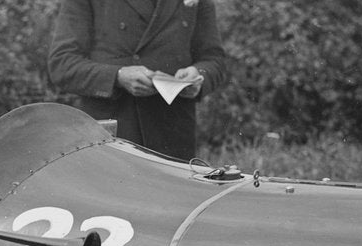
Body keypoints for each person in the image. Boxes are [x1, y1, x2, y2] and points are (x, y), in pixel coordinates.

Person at [47, 0, 229, 161]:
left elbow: (214, 60)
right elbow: (62, 63)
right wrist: (117, 76)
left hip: (171, 136)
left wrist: (198, 75)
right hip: (114, 136)